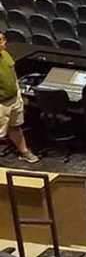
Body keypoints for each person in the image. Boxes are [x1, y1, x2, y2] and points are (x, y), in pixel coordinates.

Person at [0, 34, 39, 164]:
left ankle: (24, 152)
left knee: (15, 127)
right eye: (1, 40)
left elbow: (13, 73)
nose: (4, 42)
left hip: (13, 99)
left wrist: (18, 94)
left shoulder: (5, 54)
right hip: (1, 104)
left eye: (4, 38)